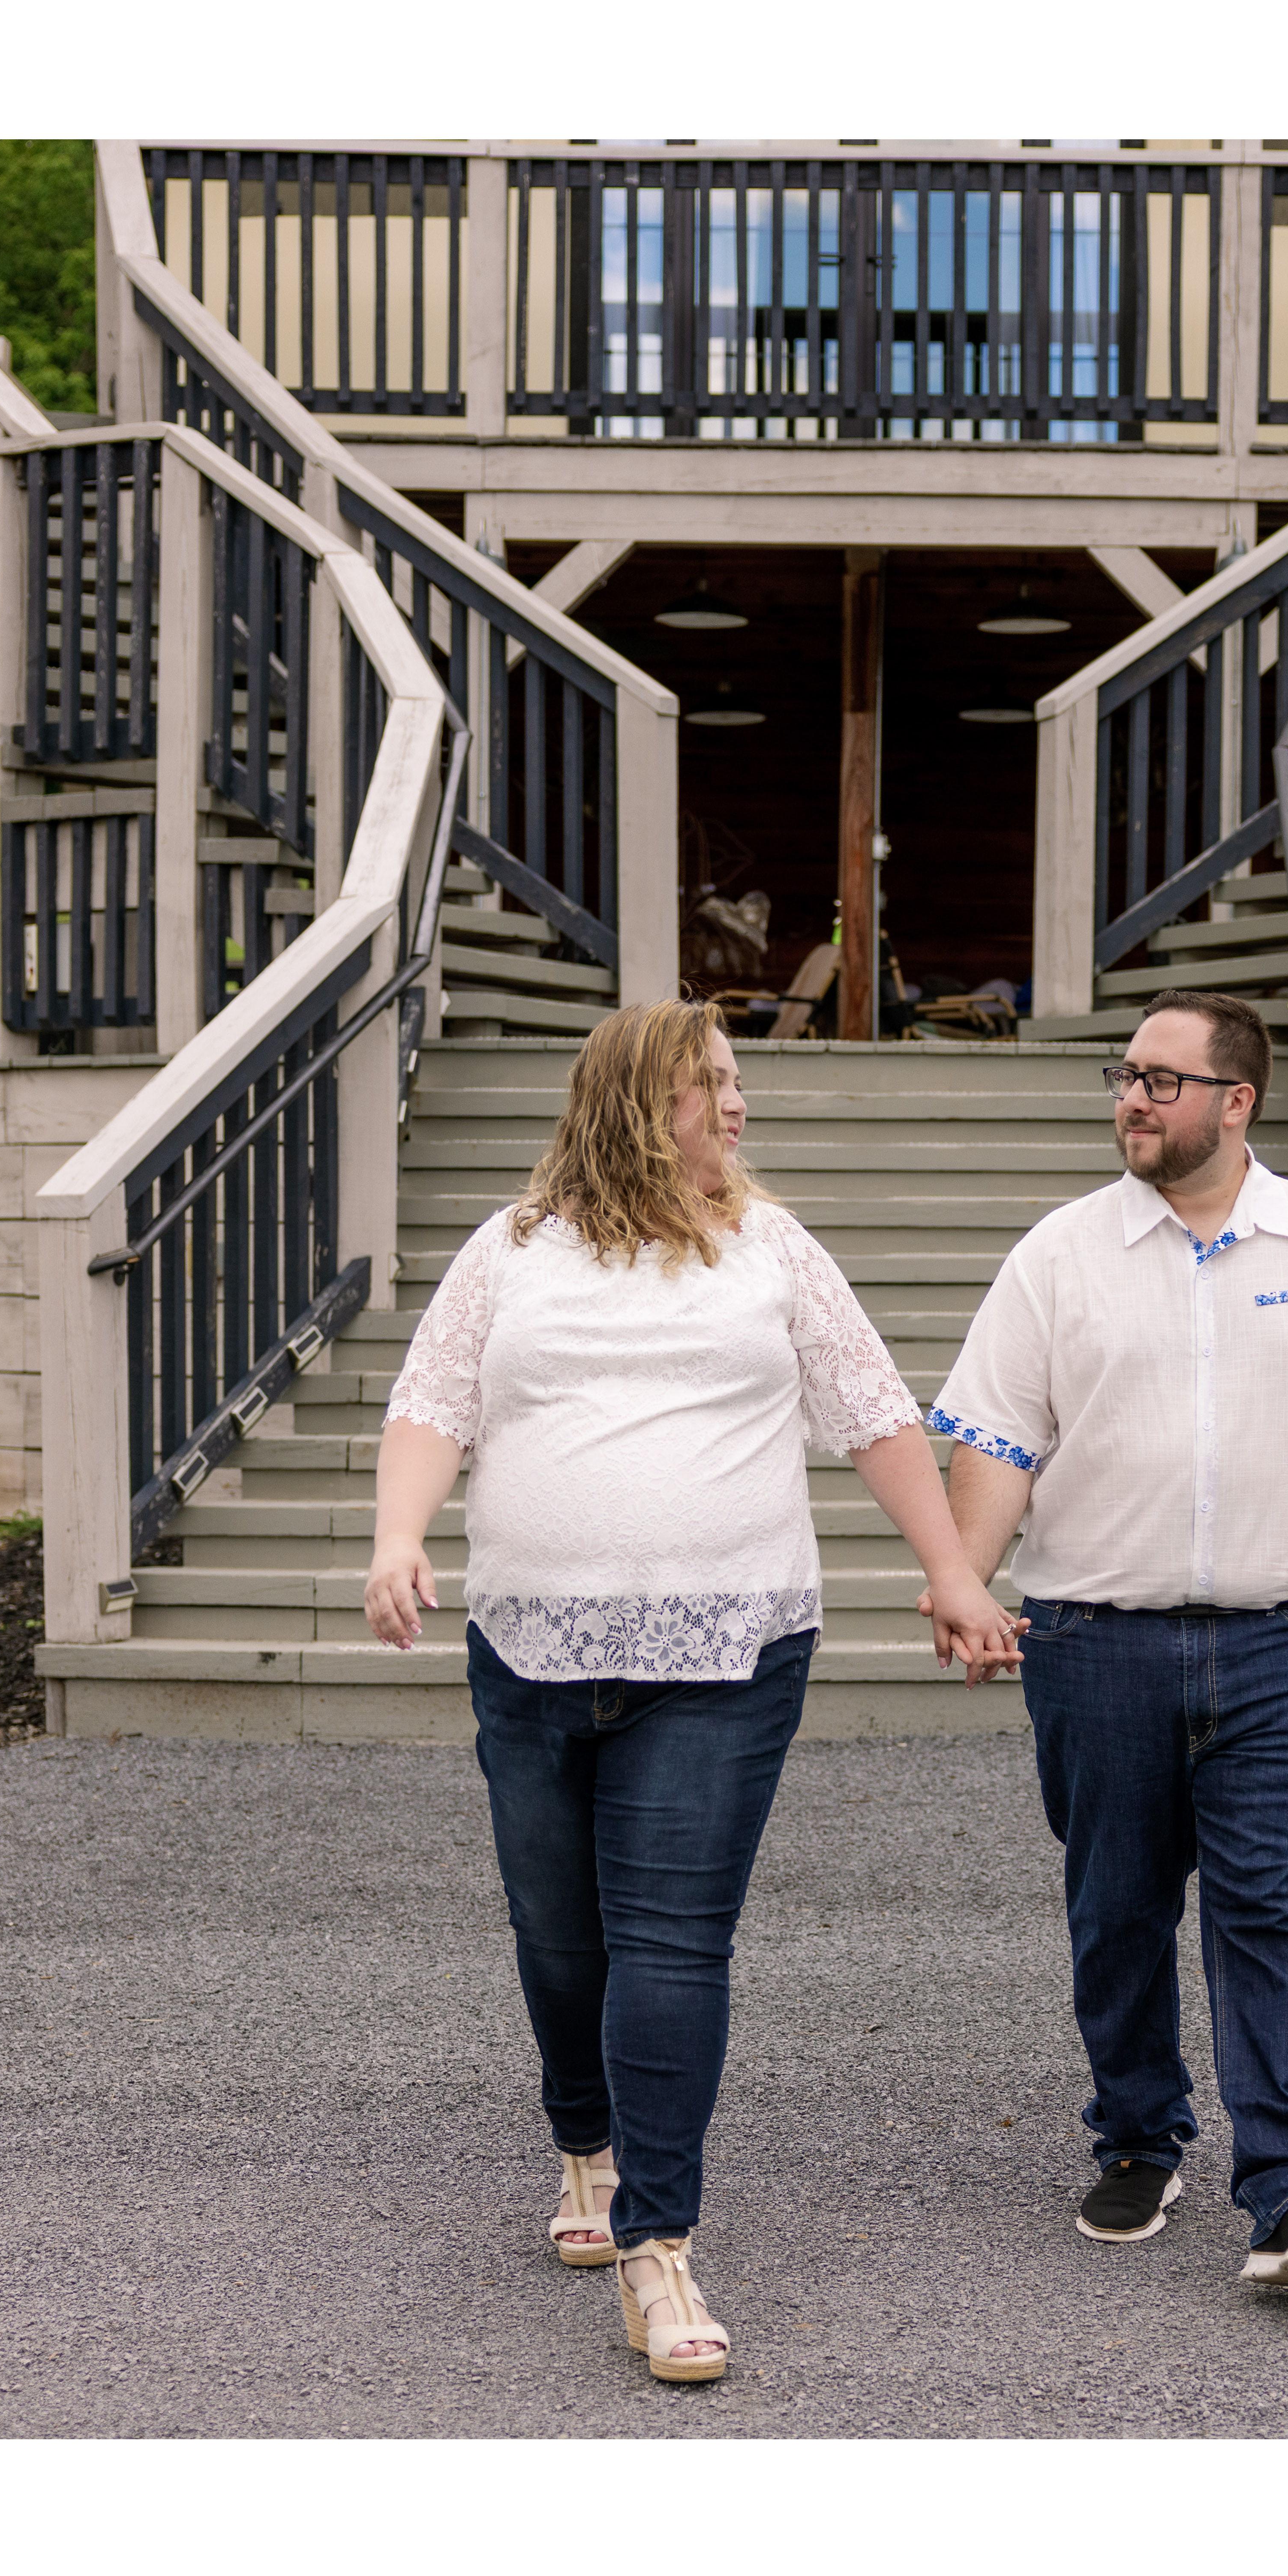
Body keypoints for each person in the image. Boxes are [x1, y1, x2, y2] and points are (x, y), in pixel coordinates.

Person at [365, 1000, 1024, 2382]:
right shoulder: (512, 1250)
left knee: (670, 1945)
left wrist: (953, 1573)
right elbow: (433, 1401)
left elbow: (873, 1412)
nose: (735, 1104)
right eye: (707, 1083)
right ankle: (585, 2144)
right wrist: (397, 1536)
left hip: (726, 1653)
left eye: (734, 1081)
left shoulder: (770, 1248)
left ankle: (659, 2247)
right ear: (630, 1101)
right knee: (559, 1937)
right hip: (531, 1652)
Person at [921, 987, 1288, 2287]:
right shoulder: (1060, 1255)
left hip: (1287, 1643)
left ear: (1237, 1102)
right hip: (1094, 1643)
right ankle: (1137, 2135)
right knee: (1116, 1907)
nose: (1131, 1097)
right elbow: (998, 1439)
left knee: (1275, 1903)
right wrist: (964, 1578)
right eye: (1125, 1076)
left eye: (1159, 1080)